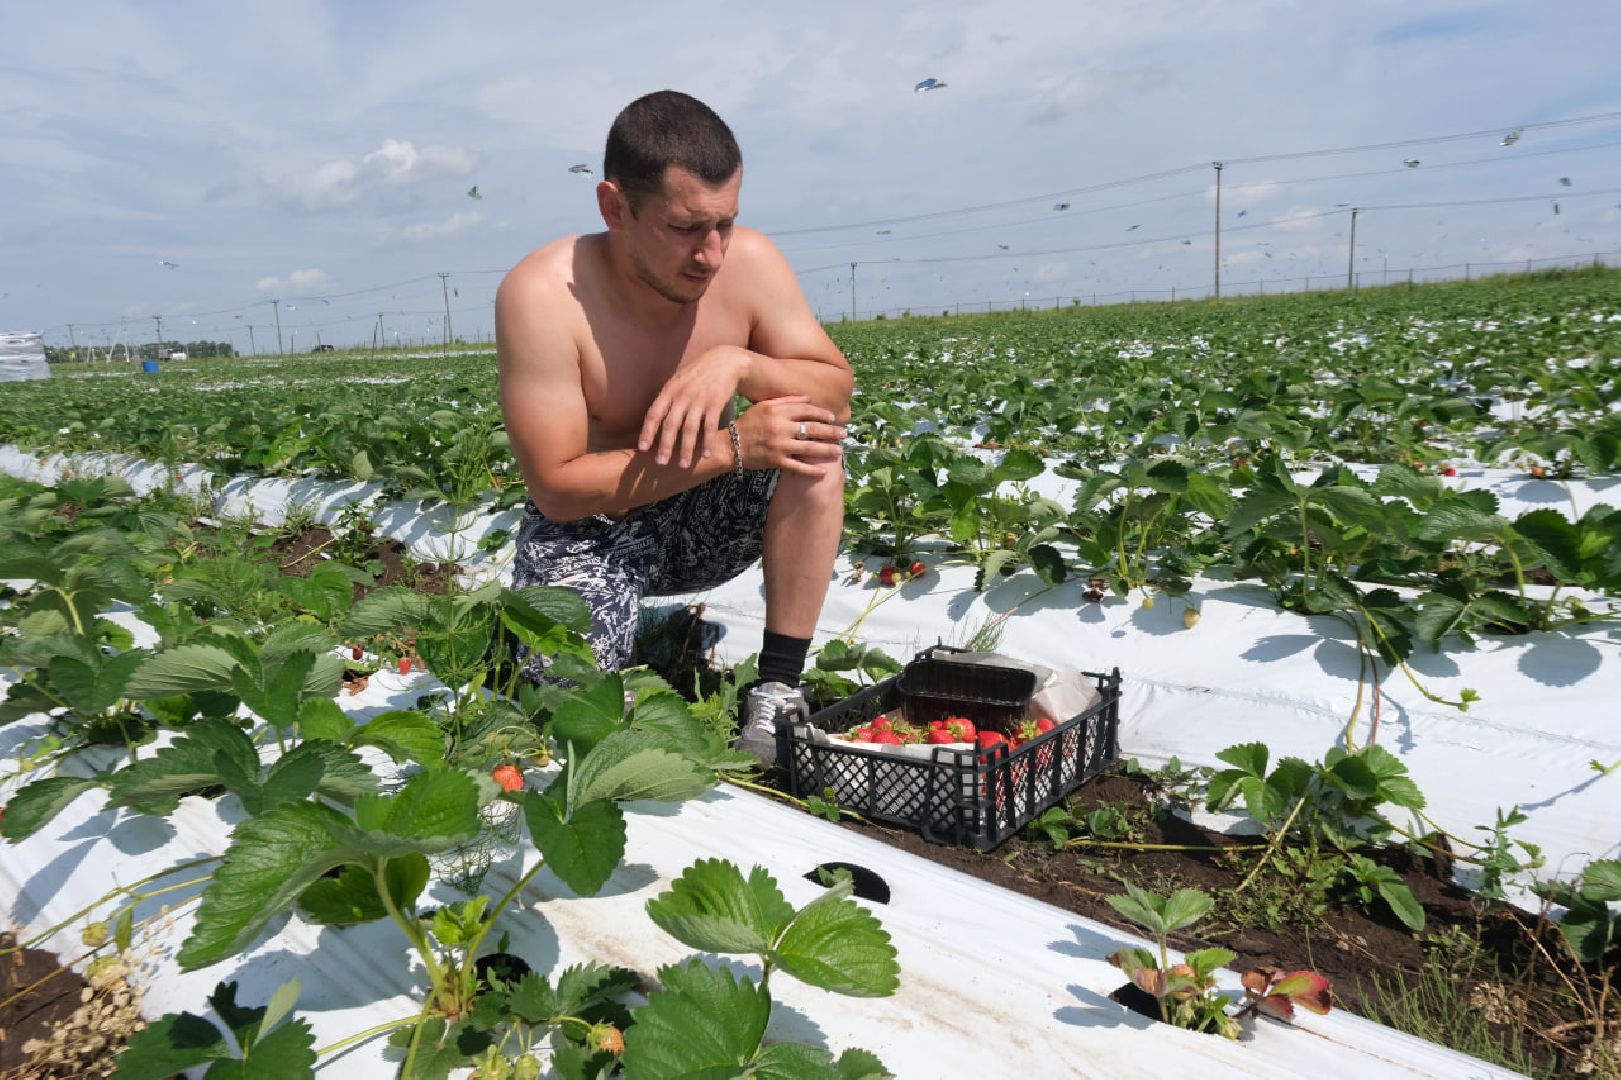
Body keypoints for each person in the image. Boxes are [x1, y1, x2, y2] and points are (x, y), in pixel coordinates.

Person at [495, 90, 851, 765]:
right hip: (592, 531)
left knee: (814, 440)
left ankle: (776, 689)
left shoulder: (749, 264)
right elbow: (557, 489)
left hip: (702, 516)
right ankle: (625, 657)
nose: (711, 254)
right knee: (571, 727)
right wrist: (733, 446)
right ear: (613, 207)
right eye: (685, 227)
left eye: (725, 224)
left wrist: (739, 363)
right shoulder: (541, 295)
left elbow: (835, 393)